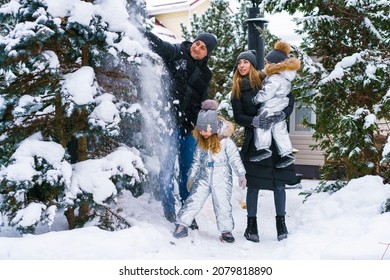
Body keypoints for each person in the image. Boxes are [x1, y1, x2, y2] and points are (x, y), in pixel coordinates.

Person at [143, 30, 218, 225]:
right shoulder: (177, 53)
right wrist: (139, 29)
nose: (198, 48)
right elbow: (158, 44)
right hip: (168, 123)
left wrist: (206, 118)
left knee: (187, 172)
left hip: (189, 128)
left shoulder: (205, 74)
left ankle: (186, 212)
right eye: (197, 43)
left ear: (207, 53)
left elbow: (201, 103)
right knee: (167, 168)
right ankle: (169, 211)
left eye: (203, 47)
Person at [231, 49, 297, 243]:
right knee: (253, 186)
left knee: (279, 183)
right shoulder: (236, 91)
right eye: (239, 63)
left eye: (246, 62)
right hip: (255, 142)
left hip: (274, 142)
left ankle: (281, 224)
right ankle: (251, 226)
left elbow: (289, 98)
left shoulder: (266, 80)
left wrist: (282, 114)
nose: (242, 66)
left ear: (252, 65)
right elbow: (238, 117)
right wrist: (255, 121)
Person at [172, 100, 247, 243]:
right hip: (203, 176)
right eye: (200, 130)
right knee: (194, 200)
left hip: (222, 176)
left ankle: (226, 231)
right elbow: (196, 161)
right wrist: (191, 177)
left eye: (205, 130)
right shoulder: (201, 143)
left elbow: (235, 159)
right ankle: (182, 225)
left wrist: (241, 174)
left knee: (222, 203)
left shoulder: (225, 142)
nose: (202, 133)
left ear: (213, 128)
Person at [250, 41, 301, 169]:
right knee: (280, 130)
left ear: (275, 64)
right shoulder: (286, 76)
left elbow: (267, 93)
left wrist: (256, 99)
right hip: (280, 107)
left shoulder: (275, 78)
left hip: (270, 106)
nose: (266, 65)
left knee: (262, 126)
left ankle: (262, 148)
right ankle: (286, 153)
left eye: (268, 63)